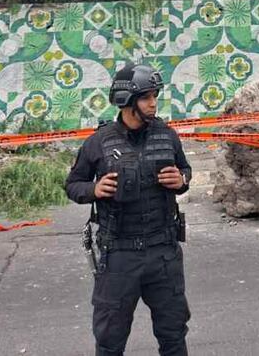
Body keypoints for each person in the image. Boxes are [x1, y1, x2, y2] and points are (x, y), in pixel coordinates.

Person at [65, 63, 192, 356]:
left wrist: (182, 180)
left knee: (174, 335)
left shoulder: (167, 136)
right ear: (127, 101)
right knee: (110, 340)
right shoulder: (99, 142)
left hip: (164, 252)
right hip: (119, 255)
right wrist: (94, 190)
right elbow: (73, 184)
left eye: (155, 96)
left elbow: (185, 169)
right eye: (146, 97)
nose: (153, 103)